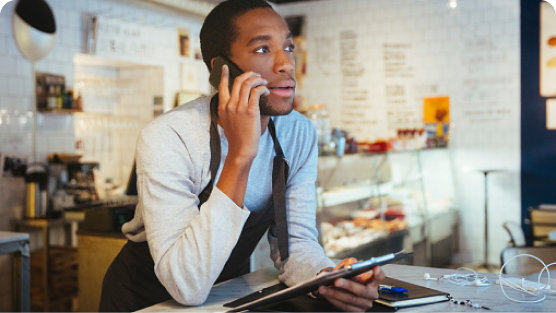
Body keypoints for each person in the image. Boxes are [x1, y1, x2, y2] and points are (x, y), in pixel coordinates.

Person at [99, 0, 385, 311]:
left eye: (287, 47)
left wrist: (328, 278)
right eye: (263, 49)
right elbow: (186, 285)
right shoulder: (170, 137)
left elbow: (296, 246)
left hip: (226, 292)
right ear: (222, 68)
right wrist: (240, 155)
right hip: (147, 298)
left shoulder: (299, 133)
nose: (285, 64)